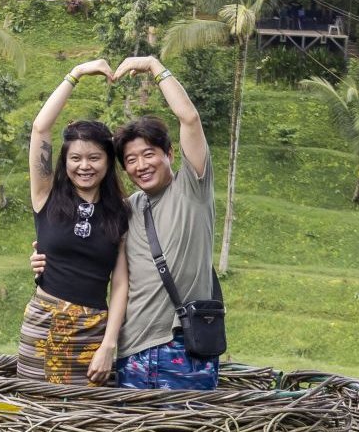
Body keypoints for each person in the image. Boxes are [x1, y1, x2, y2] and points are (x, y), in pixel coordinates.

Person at [32, 54, 220, 389]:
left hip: (181, 349)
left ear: (170, 155)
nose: (141, 165)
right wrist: (45, 256)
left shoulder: (192, 190)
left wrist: (153, 66)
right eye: (131, 159)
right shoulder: (127, 208)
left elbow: (189, 119)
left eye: (149, 154)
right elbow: (41, 130)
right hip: (131, 352)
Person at [17, 58, 130, 384]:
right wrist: (76, 73)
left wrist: (109, 343)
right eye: (75, 158)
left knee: (87, 419)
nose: (85, 166)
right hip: (43, 323)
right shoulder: (46, 196)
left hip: (93, 331)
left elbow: (120, 283)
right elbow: (40, 128)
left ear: (108, 163)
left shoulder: (120, 211)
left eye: (94, 158)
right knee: (37, 410)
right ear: (64, 162)